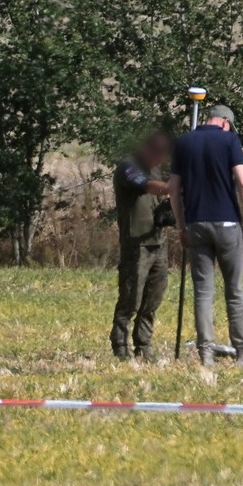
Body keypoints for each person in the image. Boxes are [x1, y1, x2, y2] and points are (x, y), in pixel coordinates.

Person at [168, 105, 243, 367]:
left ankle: (206, 354)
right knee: (234, 290)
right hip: (228, 225)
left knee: (203, 292)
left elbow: (173, 190)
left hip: (196, 224)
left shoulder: (184, 143)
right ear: (224, 123)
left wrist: (181, 226)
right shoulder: (230, 140)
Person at [110, 131, 173, 360]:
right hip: (137, 245)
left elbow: (158, 197)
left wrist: (168, 210)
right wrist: (171, 187)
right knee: (131, 298)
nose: (161, 160)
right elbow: (146, 185)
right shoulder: (128, 167)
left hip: (158, 242)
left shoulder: (154, 169)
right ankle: (120, 346)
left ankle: (144, 345)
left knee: (153, 298)